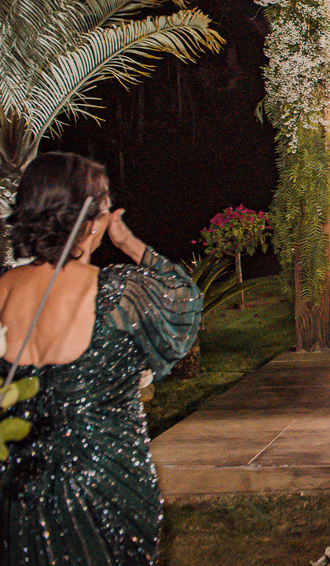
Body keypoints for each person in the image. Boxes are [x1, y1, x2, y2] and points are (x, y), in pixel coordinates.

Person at [0, 152, 202, 565]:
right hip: (105, 483)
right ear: (89, 221)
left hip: (18, 491)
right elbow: (185, 299)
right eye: (105, 203)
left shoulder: (4, 289)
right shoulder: (118, 292)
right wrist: (127, 242)